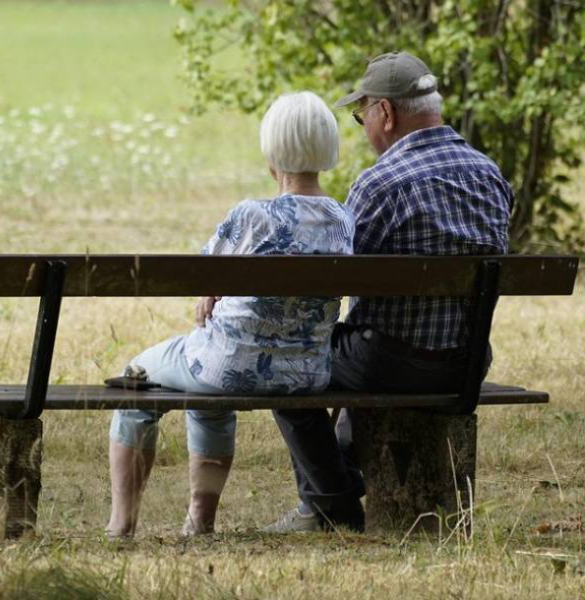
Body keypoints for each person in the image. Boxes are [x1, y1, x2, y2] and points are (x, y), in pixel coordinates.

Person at [264, 52, 514, 533]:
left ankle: (330, 506)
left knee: (286, 363)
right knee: (357, 347)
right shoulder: (490, 175)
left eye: (362, 117)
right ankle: (338, 482)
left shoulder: (379, 184)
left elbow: (335, 280)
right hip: (466, 363)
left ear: (385, 113)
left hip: (390, 363)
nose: (363, 128)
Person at [106, 91, 355, 539]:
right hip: (305, 375)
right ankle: (198, 521)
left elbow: (202, 274)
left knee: (135, 378)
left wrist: (211, 291)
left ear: (272, 152)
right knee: (207, 386)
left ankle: (121, 525)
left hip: (227, 367)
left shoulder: (251, 216)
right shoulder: (342, 220)